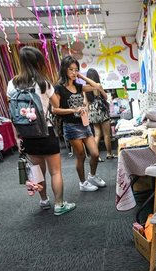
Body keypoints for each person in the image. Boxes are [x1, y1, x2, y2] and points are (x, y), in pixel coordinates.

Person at [7, 46, 75, 215]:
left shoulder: (12, 84)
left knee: (37, 171)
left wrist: (18, 136)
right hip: (46, 132)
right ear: (38, 62)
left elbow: (13, 111)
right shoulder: (43, 83)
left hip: (27, 135)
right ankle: (59, 204)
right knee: (55, 171)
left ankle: (44, 200)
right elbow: (56, 105)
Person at [51, 56, 106, 192]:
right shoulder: (59, 88)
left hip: (84, 124)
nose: (73, 72)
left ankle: (92, 176)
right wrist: (73, 110)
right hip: (71, 126)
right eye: (71, 69)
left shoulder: (78, 86)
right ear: (64, 69)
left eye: (76, 69)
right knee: (81, 155)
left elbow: (97, 86)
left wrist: (81, 76)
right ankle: (83, 183)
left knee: (95, 153)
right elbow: (55, 109)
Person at [85, 68, 116, 161]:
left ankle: (96, 156)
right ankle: (109, 153)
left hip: (92, 112)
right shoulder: (98, 85)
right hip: (101, 110)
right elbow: (105, 97)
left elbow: (85, 102)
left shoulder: (85, 88)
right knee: (106, 134)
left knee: (97, 134)